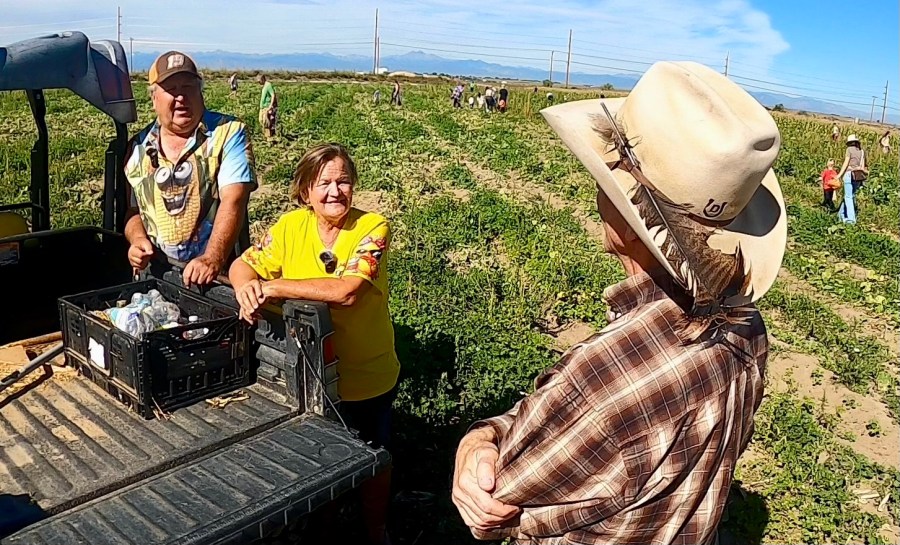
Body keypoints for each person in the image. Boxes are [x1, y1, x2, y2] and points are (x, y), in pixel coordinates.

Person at [452, 61, 786, 545]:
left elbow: (495, 504)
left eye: (607, 179)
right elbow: (586, 428)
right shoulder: (747, 327)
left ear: (633, 223)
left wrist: (476, 442)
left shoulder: (603, 375)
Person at [229, 143, 399, 545]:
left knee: (373, 455)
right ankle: (322, 528)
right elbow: (242, 264)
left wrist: (273, 286)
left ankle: (376, 530)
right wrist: (246, 288)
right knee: (319, 458)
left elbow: (347, 291)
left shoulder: (372, 227)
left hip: (365, 373)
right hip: (309, 372)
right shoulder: (291, 227)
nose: (335, 191)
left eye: (343, 181)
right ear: (306, 191)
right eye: (324, 183)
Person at [124, 51, 256, 287]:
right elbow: (133, 211)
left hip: (215, 280)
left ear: (200, 91)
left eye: (188, 87)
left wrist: (212, 258)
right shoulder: (137, 148)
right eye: (171, 89)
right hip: (157, 276)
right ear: (154, 98)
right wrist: (137, 239)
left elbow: (234, 199)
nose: (181, 97)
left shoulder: (228, 133)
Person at [836, 133, 867, 224]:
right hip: (857, 176)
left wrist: (839, 175)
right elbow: (862, 166)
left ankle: (851, 220)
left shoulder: (849, 149)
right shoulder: (862, 151)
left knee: (848, 197)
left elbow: (846, 163)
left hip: (849, 174)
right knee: (850, 195)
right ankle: (840, 215)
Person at [257, 74, 277, 140]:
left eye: (259, 81)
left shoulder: (268, 85)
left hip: (267, 106)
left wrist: (270, 106)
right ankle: (266, 136)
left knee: (267, 122)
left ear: (262, 79)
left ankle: (269, 138)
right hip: (262, 107)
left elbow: (273, 95)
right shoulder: (264, 86)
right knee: (261, 120)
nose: (258, 82)